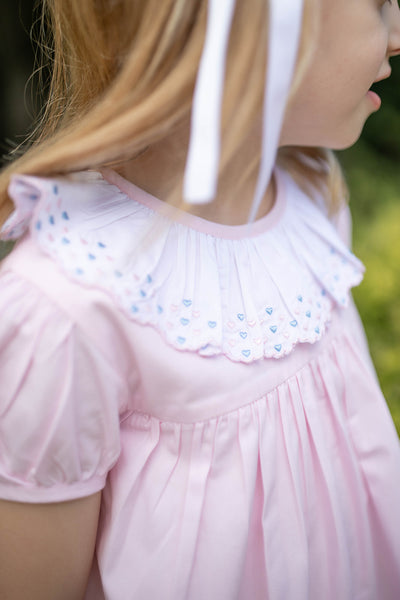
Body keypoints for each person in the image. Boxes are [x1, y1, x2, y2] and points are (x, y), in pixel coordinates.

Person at [0, 0, 400, 598]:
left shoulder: (312, 194)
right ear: (242, 24)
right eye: (377, 2)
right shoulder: (65, 311)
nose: (396, 31)